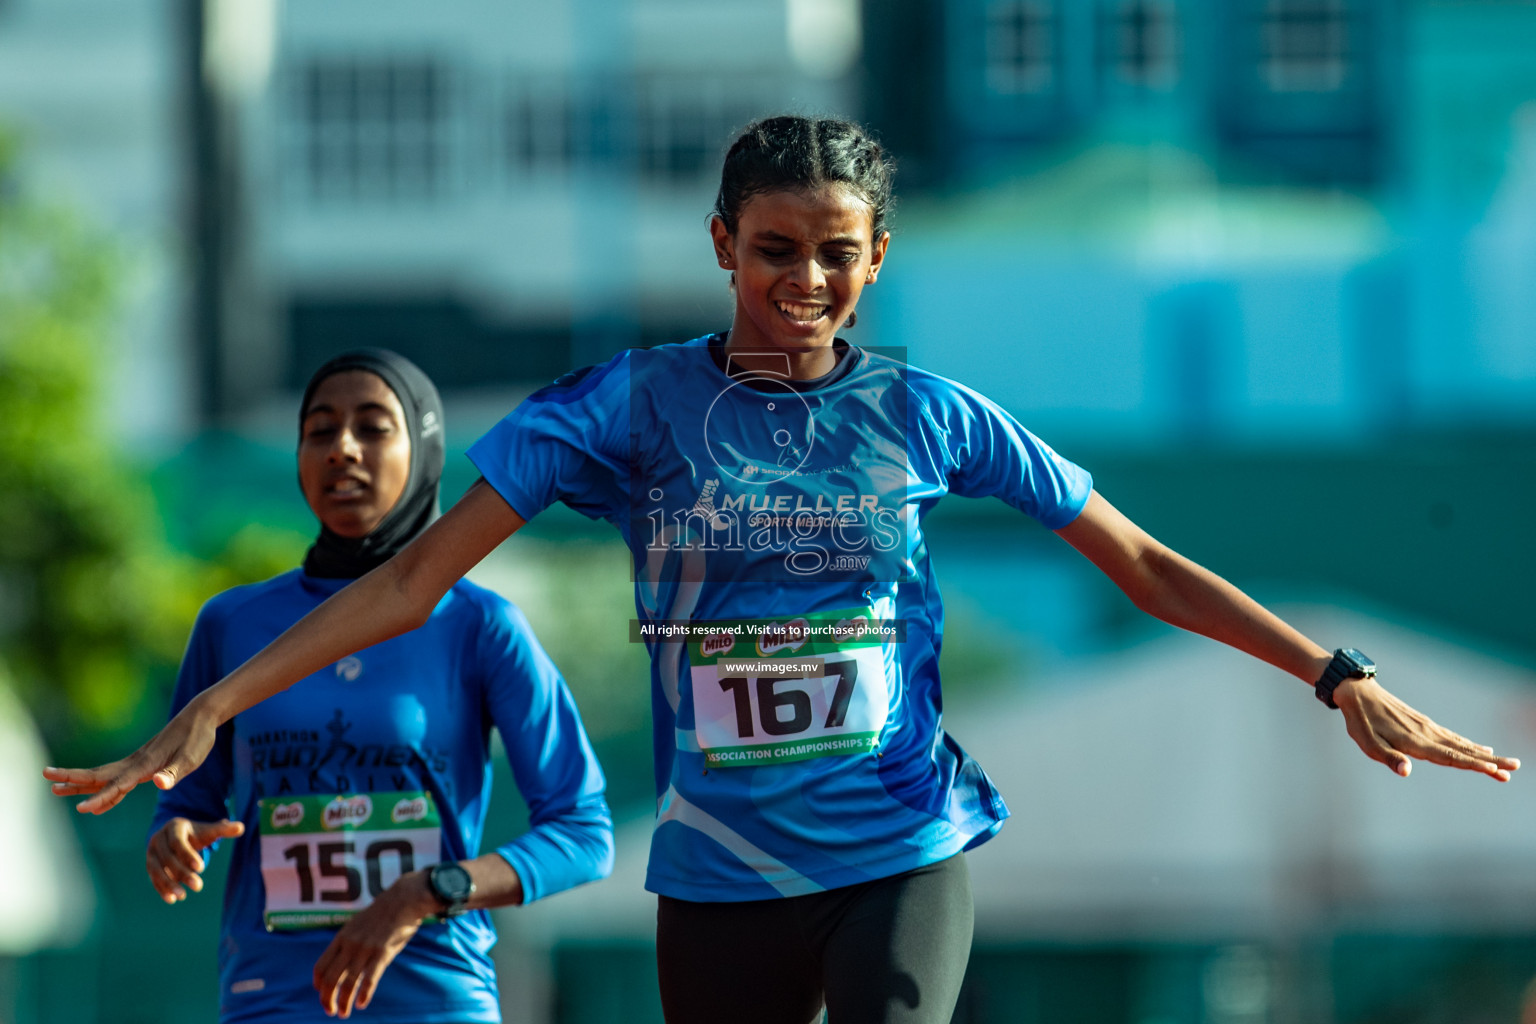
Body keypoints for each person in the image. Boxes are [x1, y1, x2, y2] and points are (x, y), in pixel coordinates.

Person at [48, 119, 1517, 1024]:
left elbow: (1135, 561)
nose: (800, 284)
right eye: (770, 253)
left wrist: (1337, 674)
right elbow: (404, 585)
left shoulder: (926, 413)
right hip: (723, 870)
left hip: (900, 843)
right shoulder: (620, 410)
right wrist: (214, 709)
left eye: (833, 255)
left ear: (873, 260)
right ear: (721, 248)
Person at [134, 350, 612, 1023]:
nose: (342, 449)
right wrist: (173, 840)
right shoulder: (233, 625)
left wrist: (428, 889)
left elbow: (583, 834)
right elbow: (183, 801)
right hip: (271, 1001)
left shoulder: (480, 624)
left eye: (373, 426)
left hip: (435, 1000)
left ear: (424, 447)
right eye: (321, 430)